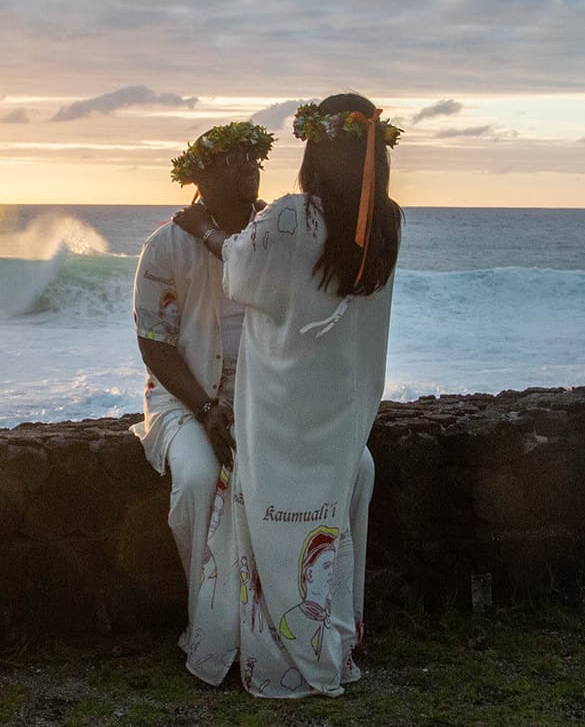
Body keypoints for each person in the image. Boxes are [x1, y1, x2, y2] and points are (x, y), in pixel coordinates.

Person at [177, 93, 403, 697]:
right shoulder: (387, 222)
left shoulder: (290, 216)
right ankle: (326, 639)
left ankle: (276, 654)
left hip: (283, 400)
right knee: (323, 520)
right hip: (342, 402)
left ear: (318, 149)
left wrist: (203, 229)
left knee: (272, 521)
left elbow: (243, 274)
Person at [130, 121, 276, 654]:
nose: (248, 168)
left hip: (264, 394)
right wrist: (206, 406)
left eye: (253, 158)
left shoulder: (274, 237)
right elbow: (155, 343)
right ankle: (211, 628)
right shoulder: (166, 245)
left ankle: (278, 624)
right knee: (195, 480)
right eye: (232, 160)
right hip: (186, 396)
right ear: (200, 176)